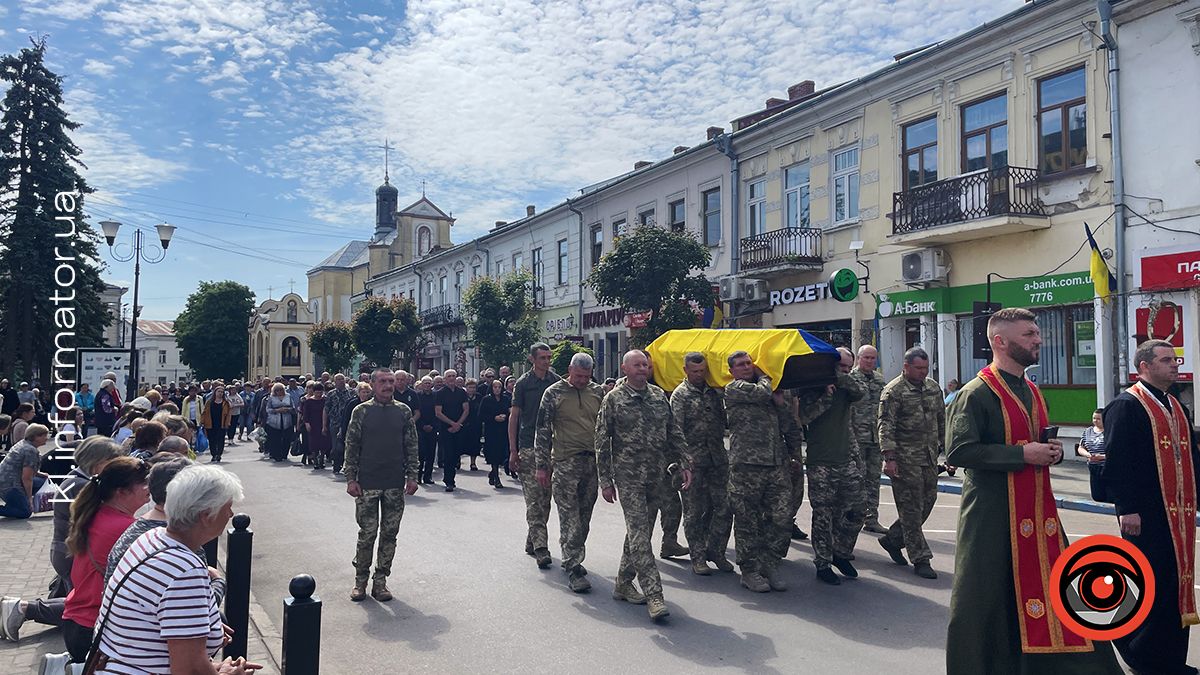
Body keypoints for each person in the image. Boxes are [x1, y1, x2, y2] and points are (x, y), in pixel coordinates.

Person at [945, 307, 1120, 674]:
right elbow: (960, 451)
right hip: (992, 515)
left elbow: (1033, 441)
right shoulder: (975, 393)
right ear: (1000, 341)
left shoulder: (1034, 391)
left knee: (1056, 589)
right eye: (1028, 334)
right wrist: (1022, 454)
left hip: (1039, 513)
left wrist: (1049, 453)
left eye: (1037, 334)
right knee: (989, 596)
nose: (1038, 339)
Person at [93, 464, 258, 674]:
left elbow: (151, 634)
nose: (231, 514)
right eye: (227, 507)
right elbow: (188, 670)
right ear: (206, 515)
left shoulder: (152, 538)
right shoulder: (184, 570)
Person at [1103, 340, 1200, 674]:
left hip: (1178, 516)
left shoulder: (1176, 404)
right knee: (1151, 585)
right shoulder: (1126, 405)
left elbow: (1191, 458)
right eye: (1165, 360)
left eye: (1175, 359)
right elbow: (1118, 461)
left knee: (1175, 584)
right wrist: (1126, 507)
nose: (1174, 365)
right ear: (1143, 367)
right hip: (1144, 515)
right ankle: (1140, 656)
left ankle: (1170, 659)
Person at [596, 350, 691, 620]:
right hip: (628, 478)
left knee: (640, 534)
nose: (642, 369)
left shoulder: (659, 396)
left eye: (645, 365)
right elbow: (602, 441)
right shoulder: (613, 399)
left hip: (656, 477)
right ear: (625, 369)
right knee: (639, 535)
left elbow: (674, 431)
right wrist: (605, 480)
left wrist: (685, 462)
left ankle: (623, 583)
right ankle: (654, 596)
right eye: (637, 365)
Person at [0, 438, 124, 643]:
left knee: (80, 602)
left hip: (67, 551)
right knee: (84, 609)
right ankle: (22, 608)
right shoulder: (82, 485)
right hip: (73, 553)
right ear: (98, 461)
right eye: (112, 461)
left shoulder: (77, 480)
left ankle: (31, 604)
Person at [58, 457, 150, 662]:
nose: (149, 487)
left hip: (78, 622)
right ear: (121, 491)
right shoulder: (126, 528)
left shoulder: (96, 513)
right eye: (144, 482)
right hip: (97, 630)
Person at [724, 351, 802, 592]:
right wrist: (764, 375)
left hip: (775, 463)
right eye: (741, 365)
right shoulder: (734, 389)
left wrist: (794, 454)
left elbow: (788, 423)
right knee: (748, 520)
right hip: (746, 466)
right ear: (732, 370)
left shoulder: (770, 393)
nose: (747, 367)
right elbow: (761, 392)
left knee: (781, 517)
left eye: (750, 363)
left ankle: (770, 562)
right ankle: (749, 570)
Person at [344, 368, 419, 602]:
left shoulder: (403, 411)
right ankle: (360, 581)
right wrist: (351, 478)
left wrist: (412, 476)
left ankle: (381, 581)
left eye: (391, 381)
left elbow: (412, 446)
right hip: (367, 482)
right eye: (383, 382)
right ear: (373, 384)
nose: (388, 385)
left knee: (389, 533)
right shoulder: (361, 411)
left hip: (394, 483)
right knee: (367, 533)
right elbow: (352, 445)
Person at [534, 353, 606, 593]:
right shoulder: (553, 393)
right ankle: (573, 567)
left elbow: (606, 430)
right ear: (569, 371)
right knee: (569, 516)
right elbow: (542, 431)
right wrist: (542, 466)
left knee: (585, 516)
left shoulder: (598, 393)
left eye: (587, 377)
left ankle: (572, 552)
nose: (582, 381)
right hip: (565, 463)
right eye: (578, 376)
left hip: (591, 462)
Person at [796, 347, 865, 585]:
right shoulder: (811, 388)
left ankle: (841, 552)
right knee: (824, 514)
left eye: (847, 367)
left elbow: (860, 392)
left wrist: (841, 379)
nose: (844, 371)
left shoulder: (846, 387)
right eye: (840, 367)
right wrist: (825, 394)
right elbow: (805, 417)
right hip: (821, 462)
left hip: (845, 458)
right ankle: (823, 563)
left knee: (857, 510)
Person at [877, 347, 945, 580]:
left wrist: (949, 450)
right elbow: (886, 426)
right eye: (918, 368)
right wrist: (890, 458)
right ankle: (921, 558)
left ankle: (893, 539)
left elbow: (941, 419)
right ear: (906, 367)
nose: (923, 373)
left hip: (928, 457)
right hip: (905, 460)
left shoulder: (933, 388)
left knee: (928, 501)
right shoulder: (893, 391)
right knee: (911, 509)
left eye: (926, 368)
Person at [669, 352, 732, 576]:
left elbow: (726, 421)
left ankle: (716, 551)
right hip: (692, 462)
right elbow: (674, 431)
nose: (698, 375)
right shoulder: (680, 395)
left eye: (702, 371)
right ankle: (697, 557)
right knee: (694, 512)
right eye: (694, 371)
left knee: (724, 507)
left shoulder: (715, 393)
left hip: (717, 460)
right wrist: (683, 462)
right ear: (685, 370)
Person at [510, 343, 561, 568]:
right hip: (528, 447)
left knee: (545, 500)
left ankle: (533, 539)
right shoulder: (523, 384)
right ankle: (542, 548)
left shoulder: (556, 382)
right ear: (532, 359)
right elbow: (514, 418)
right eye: (542, 357)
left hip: (551, 448)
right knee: (533, 500)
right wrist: (513, 450)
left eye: (549, 357)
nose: (547, 361)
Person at [848, 345, 888, 534]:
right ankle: (851, 518)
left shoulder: (880, 380)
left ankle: (871, 518)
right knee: (855, 480)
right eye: (866, 358)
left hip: (875, 438)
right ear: (858, 359)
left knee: (873, 479)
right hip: (855, 438)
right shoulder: (850, 380)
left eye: (873, 358)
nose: (870, 361)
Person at [0, 423, 51, 519]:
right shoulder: (30, 451)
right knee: (25, 512)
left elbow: (25, 468)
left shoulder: (22, 443)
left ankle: (17, 502)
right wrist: (29, 499)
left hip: (6, 480)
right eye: (44, 435)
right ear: (35, 437)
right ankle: (15, 504)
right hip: (10, 485)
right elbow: (27, 478)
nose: (47, 438)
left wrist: (40, 474)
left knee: (42, 481)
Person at [434, 369, 470, 491]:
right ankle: (449, 480)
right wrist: (451, 424)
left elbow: (466, 409)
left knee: (456, 455)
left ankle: (451, 477)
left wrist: (458, 424)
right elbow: (438, 412)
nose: (451, 378)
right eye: (449, 376)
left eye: (453, 376)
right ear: (445, 379)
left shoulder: (461, 392)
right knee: (448, 455)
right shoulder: (440, 393)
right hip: (446, 428)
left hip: (459, 427)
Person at [479, 379, 511, 488]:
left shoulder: (506, 399)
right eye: (495, 387)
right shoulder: (486, 399)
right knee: (494, 453)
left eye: (499, 387)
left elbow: (510, 412)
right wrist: (494, 418)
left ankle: (493, 473)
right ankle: (496, 477)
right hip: (491, 430)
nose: (497, 389)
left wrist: (505, 416)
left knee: (503, 453)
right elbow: (481, 415)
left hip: (503, 429)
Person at [325, 374, 358, 474]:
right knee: (336, 446)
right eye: (338, 379)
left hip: (347, 423)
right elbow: (326, 409)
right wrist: (324, 425)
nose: (340, 381)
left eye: (342, 379)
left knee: (346, 446)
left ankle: (346, 465)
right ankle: (336, 465)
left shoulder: (351, 393)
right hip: (334, 423)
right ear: (334, 382)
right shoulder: (331, 394)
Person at [1074, 408, 1108, 502]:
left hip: (1107, 466)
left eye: (1098, 419)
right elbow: (1081, 447)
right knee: (1097, 495)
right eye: (1094, 418)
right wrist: (1088, 455)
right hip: (1093, 466)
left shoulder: (1110, 431)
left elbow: (1116, 451)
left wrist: (1101, 457)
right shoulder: (1088, 431)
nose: (1095, 421)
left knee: (1109, 494)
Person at [263, 383, 296, 462]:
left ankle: (284, 454)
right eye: (277, 390)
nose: (279, 391)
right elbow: (268, 409)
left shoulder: (288, 396)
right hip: (274, 422)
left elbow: (293, 407)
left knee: (286, 439)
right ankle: (276, 455)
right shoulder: (271, 398)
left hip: (287, 421)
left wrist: (287, 409)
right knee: (275, 439)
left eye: (281, 390)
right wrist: (277, 410)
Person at [302, 382, 332, 469]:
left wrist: (325, 424)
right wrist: (307, 424)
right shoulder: (309, 401)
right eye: (317, 392)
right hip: (313, 424)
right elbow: (305, 414)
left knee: (324, 443)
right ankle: (315, 460)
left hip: (323, 423)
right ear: (313, 392)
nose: (319, 394)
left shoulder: (325, 400)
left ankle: (322, 460)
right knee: (314, 443)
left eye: (320, 392)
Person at [415, 377, 438, 484]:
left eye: (429, 383)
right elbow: (416, 412)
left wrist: (432, 425)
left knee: (431, 453)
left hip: (432, 428)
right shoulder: (417, 396)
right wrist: (423, 425)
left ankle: (427, 476)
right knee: (421, 453)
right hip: (420, 427)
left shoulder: (436, 396)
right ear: (422, 384)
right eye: (425, 383)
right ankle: (418, 476)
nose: (427, 385)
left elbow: (438, 412)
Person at [200, 385, 232, 463]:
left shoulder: (226, 403)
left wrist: (228, 422)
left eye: (222, 392)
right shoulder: (209, 402)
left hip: (221, 424)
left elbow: (228, 414)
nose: (220, 393)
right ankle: (213, 454)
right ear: (215, 393)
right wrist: (202, 421)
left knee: (220, 440)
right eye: (219, 392)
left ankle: (219, 454)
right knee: (212, 440)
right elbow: (204, 412)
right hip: (210, 424)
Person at [463, 378, 484, 472]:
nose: (472, 389)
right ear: (466, 387)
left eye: (474, 387)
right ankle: (458, 461)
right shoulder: (462, 396)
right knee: (461, 442)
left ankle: (473, 462)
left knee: (475, 443)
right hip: (464, 423)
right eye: (470, 387)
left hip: (476, 423)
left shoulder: (479, 397)